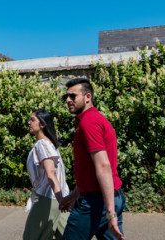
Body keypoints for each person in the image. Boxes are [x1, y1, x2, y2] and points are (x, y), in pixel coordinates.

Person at [60, 78, 125, 240]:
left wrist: (110, 213)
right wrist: (75, 194)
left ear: (87, 97)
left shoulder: (89, 122)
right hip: (110, 196)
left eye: (72, 96)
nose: (68, 100)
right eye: (65, 97)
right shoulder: (93, 120)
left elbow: (103, 166)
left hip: (95, 202)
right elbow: (89, 169)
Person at [23, 109, 70, 240]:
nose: (29, 122)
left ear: (42, 124)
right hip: (59, 197)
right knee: (69, 236)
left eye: (32, 120)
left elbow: (51, 173)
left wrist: (60, 200)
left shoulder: (42, 144)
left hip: (47, 198)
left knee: (31, 237)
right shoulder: (50, 144)